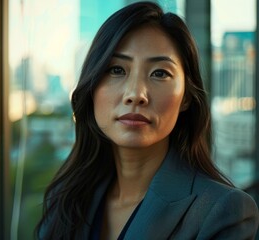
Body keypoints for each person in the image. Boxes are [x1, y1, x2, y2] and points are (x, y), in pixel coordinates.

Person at [35, 2, 259, 239]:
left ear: (186, 98)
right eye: (116, 70)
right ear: (92, 87)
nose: (135, 94)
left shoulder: (223, 211)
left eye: (160, 73)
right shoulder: (66, 198)